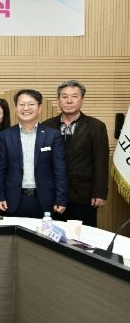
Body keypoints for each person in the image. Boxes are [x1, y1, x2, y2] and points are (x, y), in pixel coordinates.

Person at [43, 80, 109, 226]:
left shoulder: (96, 126)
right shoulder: (46, 126)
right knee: (50, 235)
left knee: (82, 236)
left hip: (83, 195)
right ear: (58, 99)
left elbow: (101, 162)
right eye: (64, 96)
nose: (69, 101)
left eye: (74, 96)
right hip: (53, 194)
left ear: (82, 99)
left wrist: (100, 192)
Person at [0, 89, 67, 218]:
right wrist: (0, 196)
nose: (26, 108)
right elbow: (0, 169)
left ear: (39, 108)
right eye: (22, 104)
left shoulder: (52, 135)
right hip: (13, 199)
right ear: (16, 107)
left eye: (31, 104)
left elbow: (60, 169)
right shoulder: (5, 136)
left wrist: (61, 198)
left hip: (45, 200)